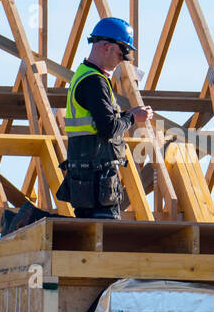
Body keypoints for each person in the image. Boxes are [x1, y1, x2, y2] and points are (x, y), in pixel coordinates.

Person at [56, 17, 153, 218]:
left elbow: (100, 121)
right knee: (102, 234)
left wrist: (127, 115)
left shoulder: (85, 75)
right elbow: (107, 128)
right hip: (97, 180)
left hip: (86, 176)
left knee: (89, 232)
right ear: (106, 47)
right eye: (121, 53)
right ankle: (29, 218)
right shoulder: (94, 81)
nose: (122, 60)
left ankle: (28, 218)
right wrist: (133, 119)